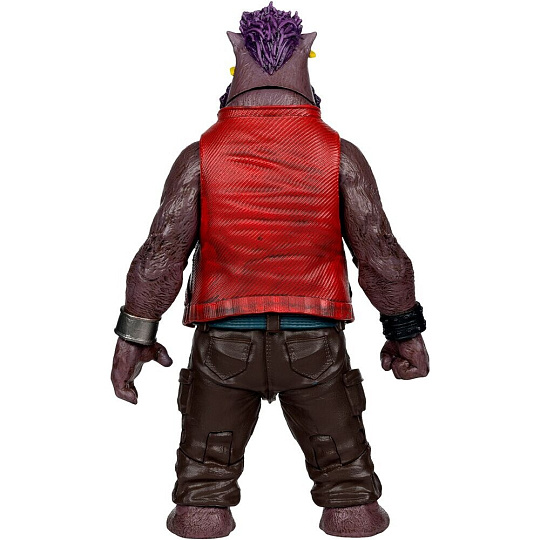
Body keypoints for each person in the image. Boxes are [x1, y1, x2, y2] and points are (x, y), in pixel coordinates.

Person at [111, 4, 429, 538]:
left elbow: (160, 254)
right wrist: (405, 332)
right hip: (314, 345)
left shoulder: (201, 156)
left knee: (201, 491)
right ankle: (350, 513)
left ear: (234, 77)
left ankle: (203, 515)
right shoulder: (339, 155)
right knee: (349, 487)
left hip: (223, 344)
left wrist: (134, 337)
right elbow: (381, 255)